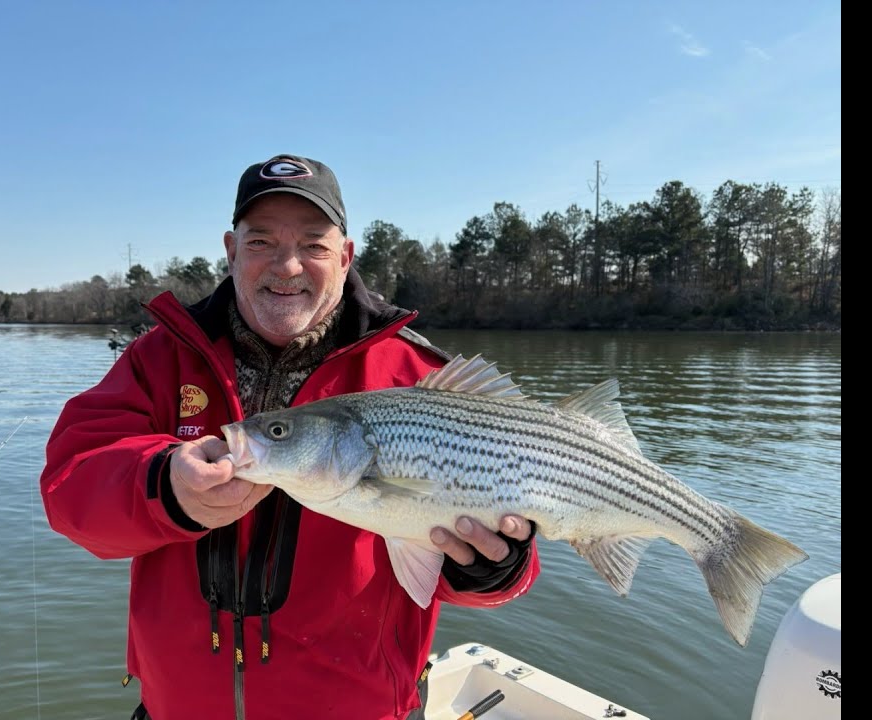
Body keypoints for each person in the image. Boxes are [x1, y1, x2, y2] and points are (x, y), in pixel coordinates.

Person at [40, 154, 541, 720]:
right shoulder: (159, 358)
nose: (288, 266)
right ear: (230, 251)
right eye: (260, 243)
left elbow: (486, 571)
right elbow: (69, 491)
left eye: (314, 244)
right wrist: (166, 487)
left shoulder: (419, 378)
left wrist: (488, 567)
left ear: (345, 257)